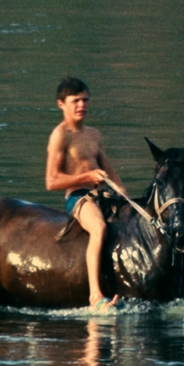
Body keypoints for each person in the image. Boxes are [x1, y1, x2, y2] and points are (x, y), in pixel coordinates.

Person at [45, 76, 126, 310]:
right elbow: (51, 181)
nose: (82, 105)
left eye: (85, 100)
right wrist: (86, 178)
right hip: (79, 197)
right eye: (75, 101)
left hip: (103, 195)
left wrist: (122, 194)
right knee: (99, 228)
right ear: (61, 104)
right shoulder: (61, 135)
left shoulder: (94, 134)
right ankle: (95, 296)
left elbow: (111, 174)